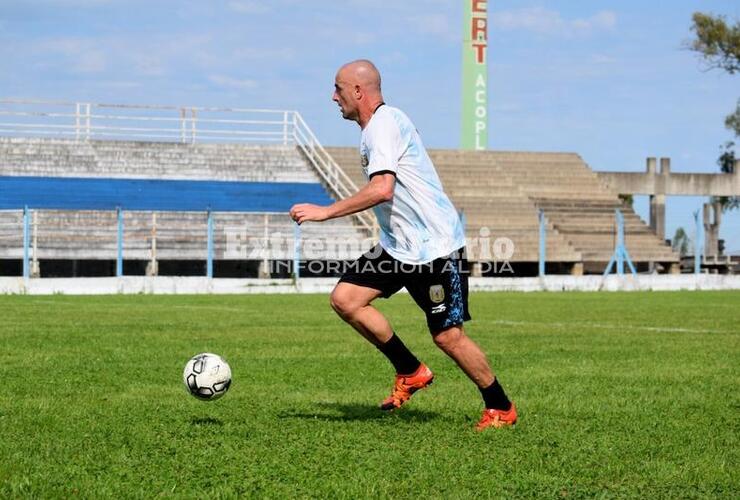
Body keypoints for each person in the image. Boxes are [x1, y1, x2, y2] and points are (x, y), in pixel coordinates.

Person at [289, 59, 516, 430]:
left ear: (358, 91)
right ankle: (410, 371)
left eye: (338, 88)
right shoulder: (373, 129)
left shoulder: (384, 125)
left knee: (448, 336)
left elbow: (382, 189)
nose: (334, 97)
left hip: (434, 247)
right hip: (399, 247)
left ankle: (501, 407)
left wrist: (326, 212)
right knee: (346, 299)